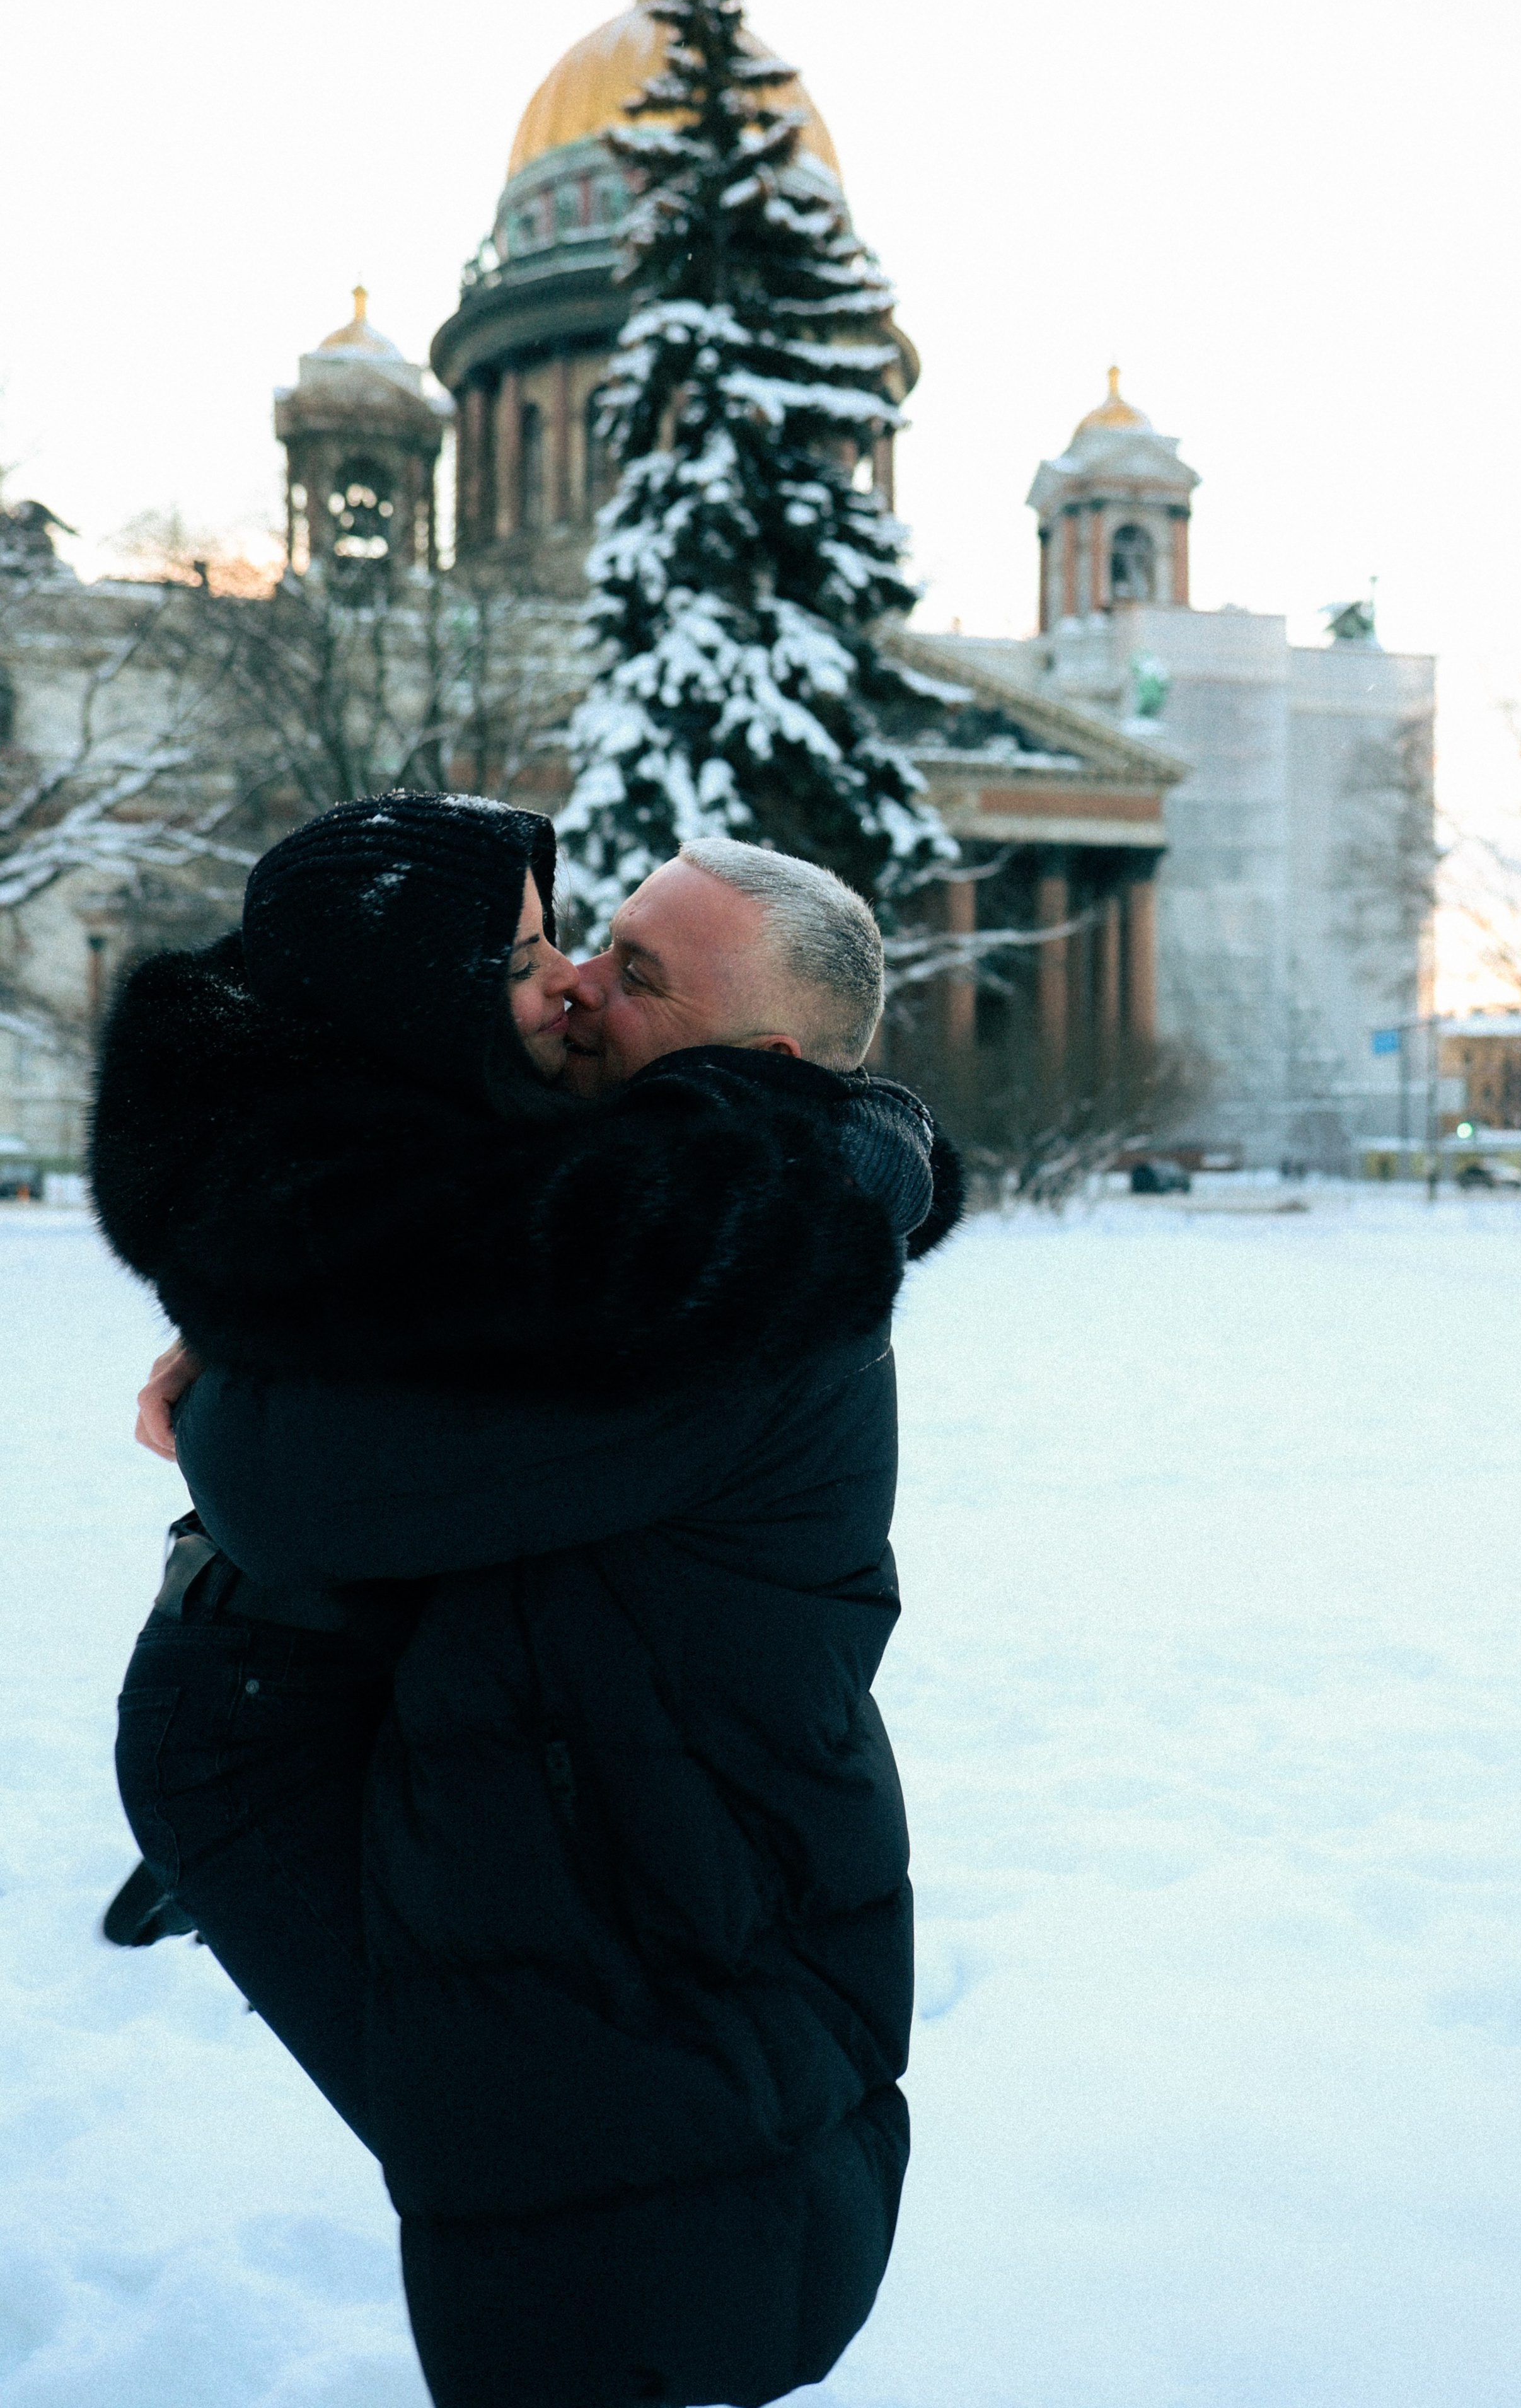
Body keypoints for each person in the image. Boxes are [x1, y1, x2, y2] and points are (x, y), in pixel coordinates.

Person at [91, 794, 961, 2408]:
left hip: (650, 1891)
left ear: (759, 1068)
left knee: (626, 2262)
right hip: (575, 1850)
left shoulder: (725, 1260)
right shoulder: (654, 1204)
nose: (575, 986)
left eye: (638, 975)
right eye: (581, 942)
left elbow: (296, 1479)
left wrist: (228, 1383)